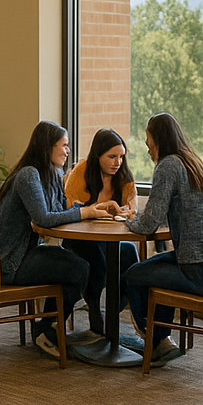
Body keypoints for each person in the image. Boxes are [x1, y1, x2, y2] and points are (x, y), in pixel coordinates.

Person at [0, 120, 114, 357]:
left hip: (24, 253)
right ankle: (46, 329)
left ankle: (50, 326)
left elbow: (57, 211)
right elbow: (44, 218)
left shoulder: (52, 174)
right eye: (64, 145)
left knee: (85, 265)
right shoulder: (28, 175)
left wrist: (91, 208)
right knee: (79, 268)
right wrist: (86, 213)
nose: (68, 150)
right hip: (8, 262)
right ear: (48, 146)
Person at [121, 113, 203, 366]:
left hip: (201, 272)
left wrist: (128, 219)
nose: (147, 147)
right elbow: (181, 209)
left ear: (158, 139)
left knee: (134, 275)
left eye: (149, 141)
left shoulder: (168, 166)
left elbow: (148, 224)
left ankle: (156, 340)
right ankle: (161, 340)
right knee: (155, 269)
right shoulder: (194, 163)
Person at [63, 128, 139, 339]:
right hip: (79, 238)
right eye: (112, 156)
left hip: (108, 239)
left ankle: (116, 308)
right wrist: (105, 207)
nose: (118, 162)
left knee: (129, 253)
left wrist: (127, 210)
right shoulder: (82, 170)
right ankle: (95, 309)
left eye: (121, 156)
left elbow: (132, 207)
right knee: (98, 260)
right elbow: (70, 205)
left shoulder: (123, 176)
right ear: (98, 155)